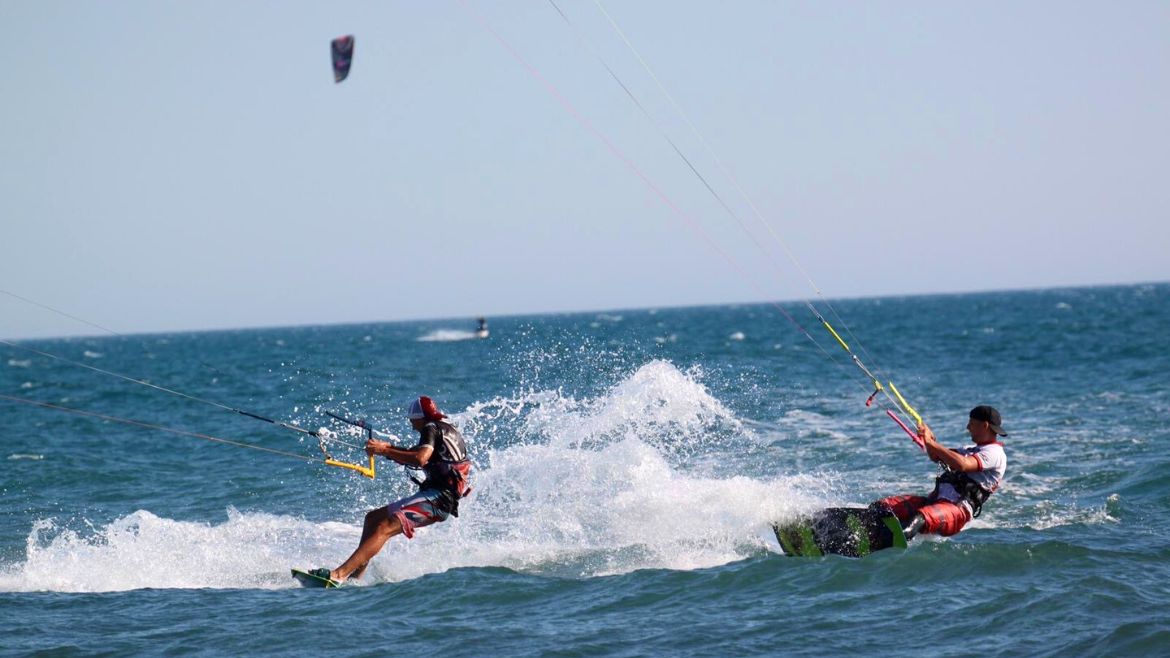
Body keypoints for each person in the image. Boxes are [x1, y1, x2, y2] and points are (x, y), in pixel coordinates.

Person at [310, 395, 471, 585]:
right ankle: (354, 579)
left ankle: (337, 575)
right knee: (372, 519)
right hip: (435, 496)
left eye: (412, 420)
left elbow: (420, 459)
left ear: (420, 418)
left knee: (384, 527)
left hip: (439, 500)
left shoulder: (430, 428)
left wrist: (384, 451)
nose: (411, 425)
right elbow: (418, 455)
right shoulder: (444, 428)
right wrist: (387, 448)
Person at [871, 405, 1007, 540]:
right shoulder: (969, 449)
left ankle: (879, 541)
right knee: (882, 507)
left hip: (957, 510)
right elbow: (937, 457)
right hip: (933, 502)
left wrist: (932, 444)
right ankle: (864, 529)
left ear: (984, 426)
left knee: (918, 519)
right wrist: (928, 440)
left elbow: (963, 464)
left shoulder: (995, 453)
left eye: (971, 424)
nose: (967, 427)